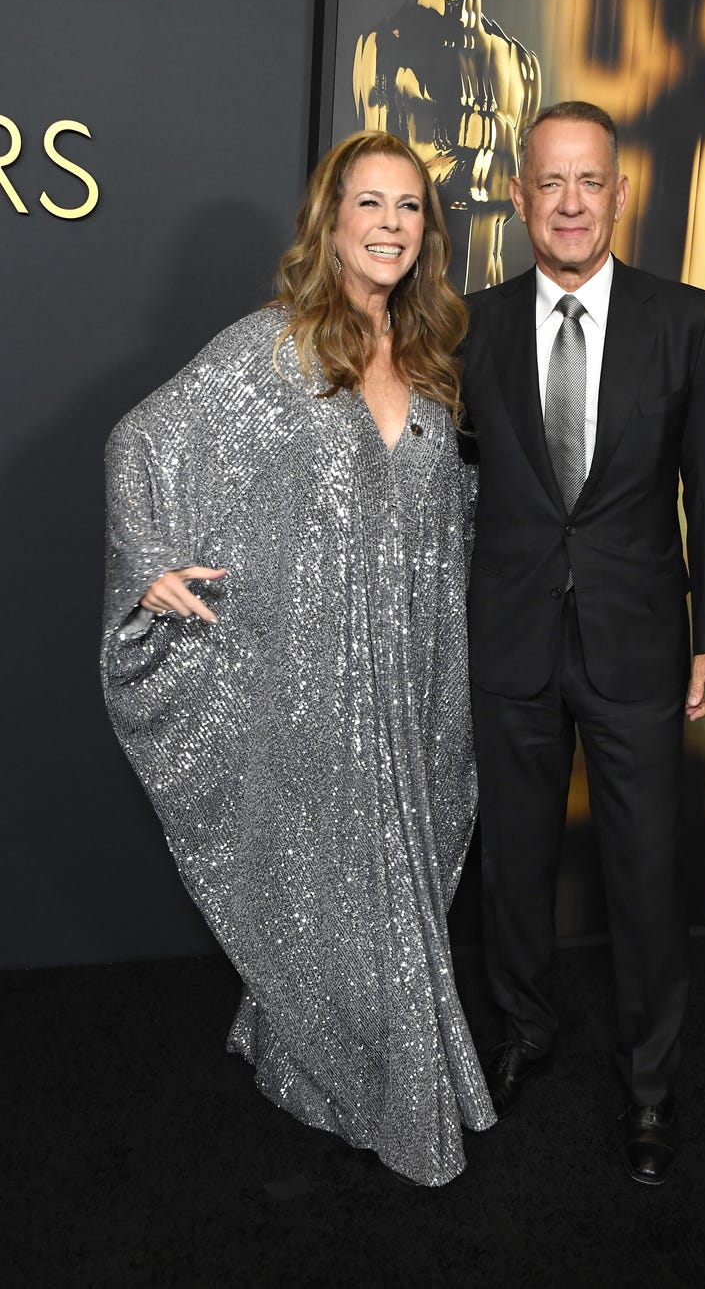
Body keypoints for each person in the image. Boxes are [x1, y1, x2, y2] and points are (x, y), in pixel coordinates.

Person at [101, 131, 495, 1187]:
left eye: (408, 207)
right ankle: (357, 1080)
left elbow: (453, 519)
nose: (388, 225)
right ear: (330, 221)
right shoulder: (275, 348)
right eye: (368, 204)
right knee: (324, 879)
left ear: (427, 230)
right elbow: (144, 440)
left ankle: (309, 1053)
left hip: (414, 674)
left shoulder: (435, 359)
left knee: (400, 875)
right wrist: (149, 566)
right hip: (310, 679)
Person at [460, 101, 705, 1185]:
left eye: (590, 182)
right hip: (512, 643)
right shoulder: (471, 324)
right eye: (549, 182)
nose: (570, 203)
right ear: (519, 193)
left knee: (641, 875)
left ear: (618, 194)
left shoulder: (683, 319)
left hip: (639, 647)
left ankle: (648, 1087)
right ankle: (525, 1033)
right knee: (513, 870)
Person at [354, 0, 540, 291]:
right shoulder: (384, 48)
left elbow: (521, 191)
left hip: (494, 300)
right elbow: (372, 189)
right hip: (413, 298)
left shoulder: (519, 62)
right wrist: (469, 159)